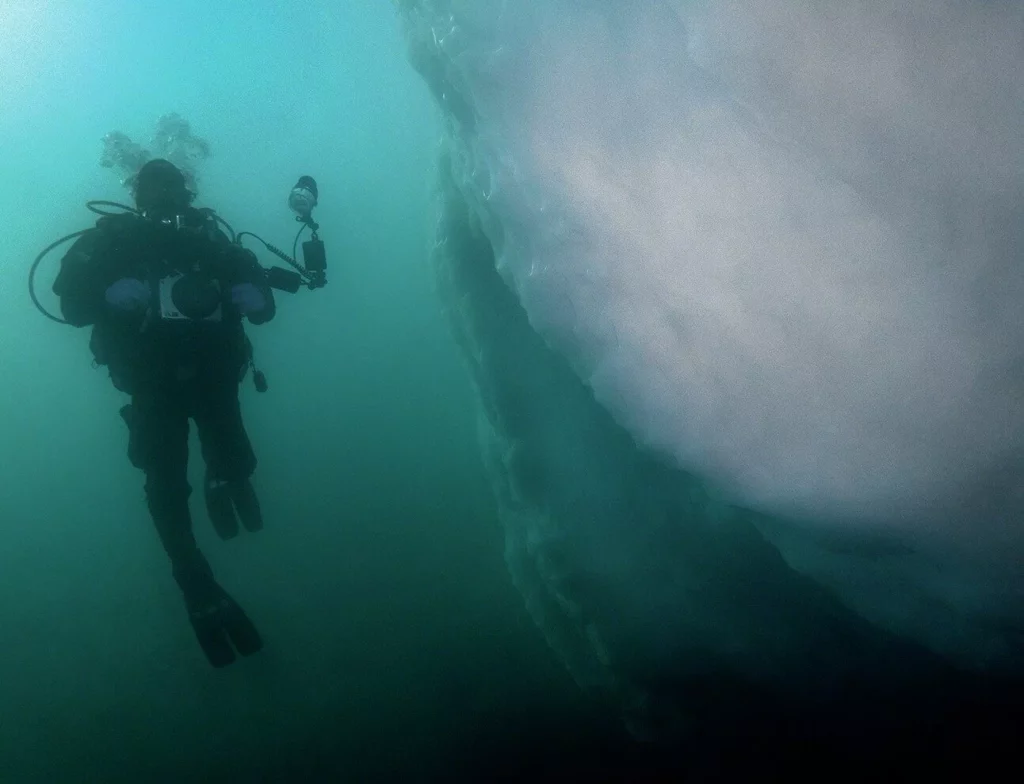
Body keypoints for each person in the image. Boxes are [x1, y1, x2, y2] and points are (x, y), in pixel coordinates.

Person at [52, 158, 275, 667]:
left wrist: (257, 298)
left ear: (188, 193)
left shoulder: (213, 240)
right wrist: (107, 297)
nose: (166, 198)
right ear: (136, 197)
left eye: (175, 187)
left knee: (237, 459)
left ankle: (223, 476)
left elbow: (262, 303)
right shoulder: (111, 242)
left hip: (215, 376)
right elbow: (70, 307)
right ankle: (192, 575)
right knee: (165, 480)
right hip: (151, 384)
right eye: (154, 189)